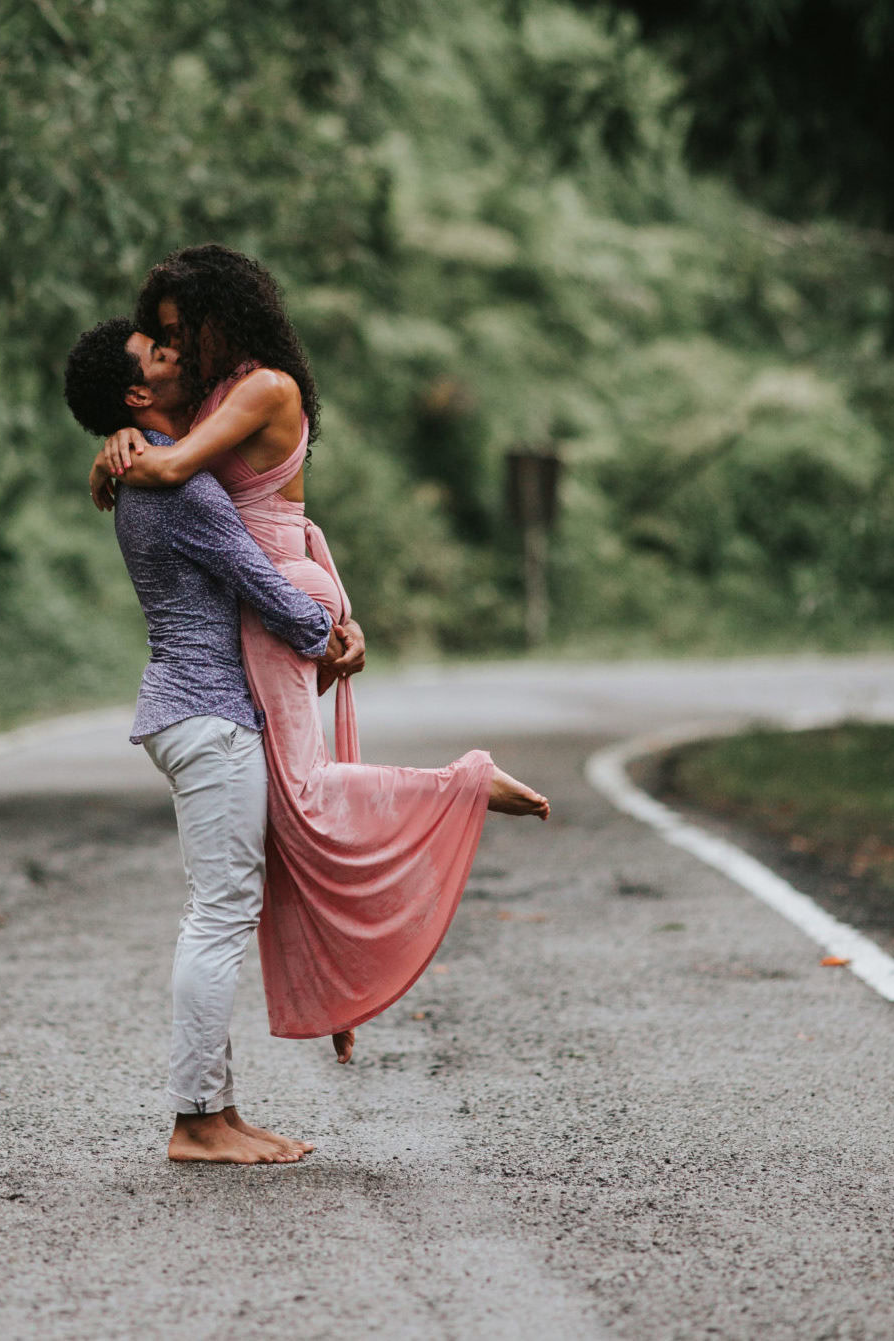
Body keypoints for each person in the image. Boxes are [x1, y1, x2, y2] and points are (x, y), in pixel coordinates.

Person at [88, 245, 550, 1061]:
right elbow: (183, 459)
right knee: (278, 824)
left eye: (176, 332)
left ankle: (465, 784)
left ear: (218, 318)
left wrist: (117, 448)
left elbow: (179, 467)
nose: (171, 349)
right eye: (159, 339)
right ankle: (338, 992)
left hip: (278, 597)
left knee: (299, 801)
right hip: (280, 586)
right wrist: (122, 430)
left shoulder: (264, 386)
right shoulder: (208, 397)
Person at [63, 316, 362, 1164]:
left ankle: (217, 1111)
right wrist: (332, 628)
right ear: (136, 394)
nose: (179, 354)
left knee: (220, 910)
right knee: (219, 915)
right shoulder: (177, 488)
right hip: (208, 714)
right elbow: (258, 582)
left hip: (192, 709)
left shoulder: (157, 471)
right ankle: (195, 1118)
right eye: (161, 353)